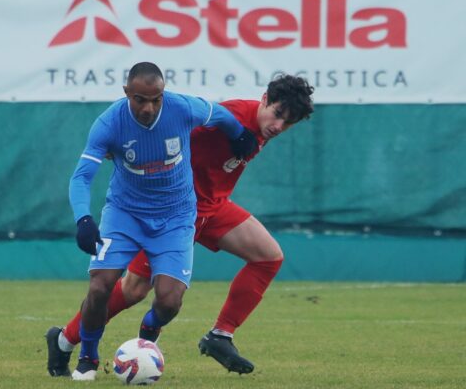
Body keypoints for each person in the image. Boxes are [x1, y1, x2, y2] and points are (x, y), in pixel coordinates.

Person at [46, 74, 315, 377]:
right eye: (277, 114)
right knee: (134, 289)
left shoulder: (264, 129)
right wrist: (120, 145)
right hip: (171, 212)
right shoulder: (232, 116)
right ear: (264, 99)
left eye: (288, 123)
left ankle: (220, 336)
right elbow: (175, 125)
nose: (278, 125)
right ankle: (66, 339)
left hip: (212, 208)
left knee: (268, 256)